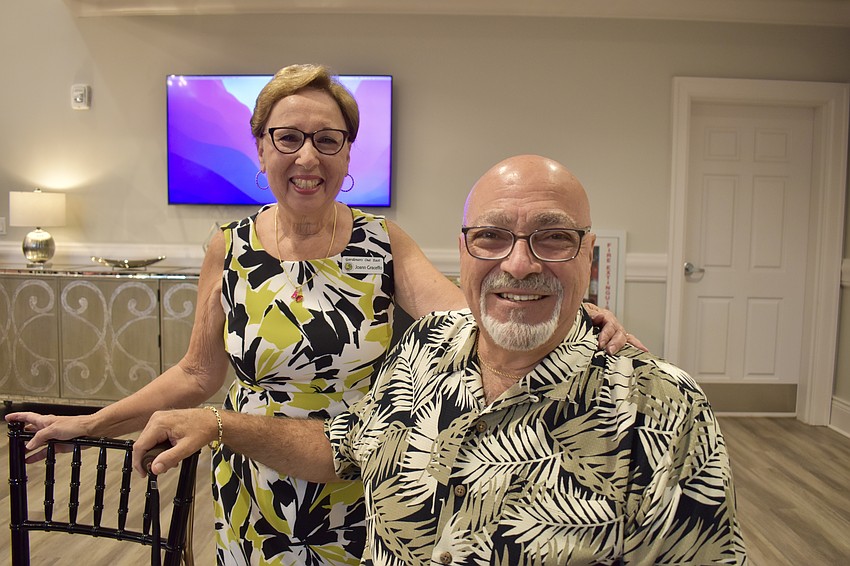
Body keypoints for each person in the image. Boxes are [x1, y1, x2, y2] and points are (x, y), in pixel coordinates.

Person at [6, 69, 638, 566]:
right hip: (255, 489)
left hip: (366, 486)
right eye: (289, 137)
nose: (308, 156)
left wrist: (575, 316)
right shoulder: (228, 247)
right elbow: (198, 373)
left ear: (346, 155)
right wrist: (89, 423)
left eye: (328, 140)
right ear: (260, 148)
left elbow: (475, 318)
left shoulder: (383, 243)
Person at [133, 154, 747, 565]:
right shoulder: (422, 353)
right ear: (464, 250)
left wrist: (573, 314)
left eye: (554, 237)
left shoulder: (664, 410)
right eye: (492, 236)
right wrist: (217, 424)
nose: (520, 263)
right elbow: (343, 448)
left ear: (590, 257)